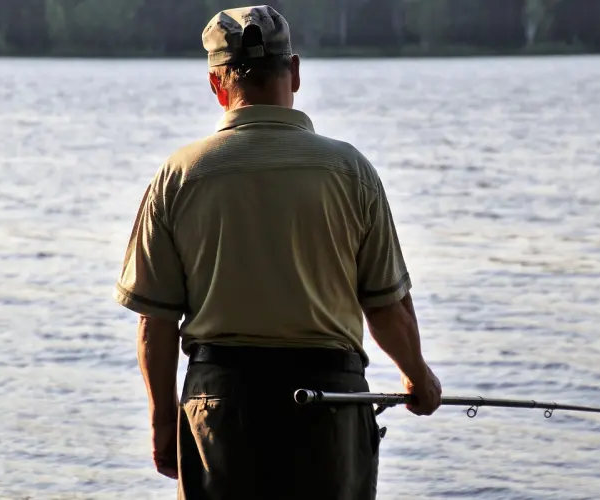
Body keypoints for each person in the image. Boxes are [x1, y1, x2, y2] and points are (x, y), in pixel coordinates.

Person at [113, 5, 442, 499]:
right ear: (295, 72)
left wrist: (164, 425)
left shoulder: (179, 176)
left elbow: (155, 324)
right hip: (329, 406)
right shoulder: (351, 171)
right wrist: (418, 378)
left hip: (218, 407)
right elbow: (386, 308)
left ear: (216, 83)